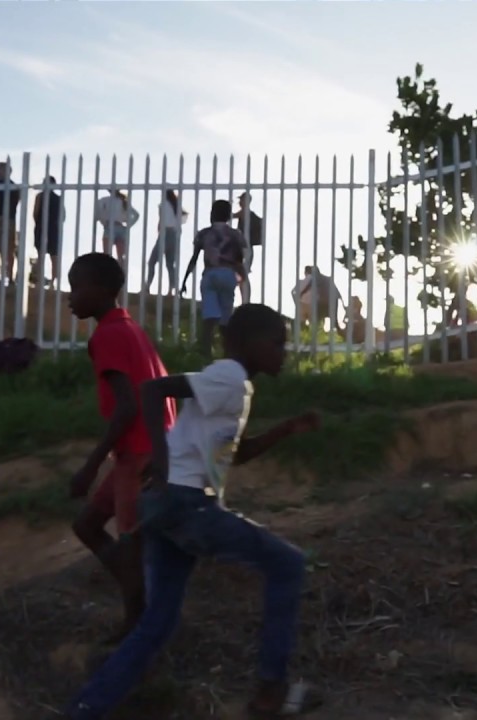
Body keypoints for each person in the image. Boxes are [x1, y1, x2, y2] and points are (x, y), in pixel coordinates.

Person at [68, 303, 322, 720]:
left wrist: (286, 429)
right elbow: (153, 391)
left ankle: (83, 710)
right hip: (185, 505)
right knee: (289, 564)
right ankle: (270, 692)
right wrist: (164, 461)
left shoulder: (235, 388)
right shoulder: (228, 376)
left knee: (157, 624)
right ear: (249, 344)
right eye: (277, 343)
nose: (284, 352)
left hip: (167, 510)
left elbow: (233, 456)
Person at [66, 252, 175, 644]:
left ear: (99, 290)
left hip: (139, 454)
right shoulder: (130, 328)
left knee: (130, 544)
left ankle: (139, 624)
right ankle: (140, 603)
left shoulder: (107, 336)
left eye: (76, 286)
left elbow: (127, 406)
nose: (70, 296)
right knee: (88, 525)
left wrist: (90, 466)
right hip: (149, 447)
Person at [182, 199, 247, 355]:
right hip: (228, 274)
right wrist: (243, 278)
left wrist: (184, 280)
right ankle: (228, 353)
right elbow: (240, 259)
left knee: (209, 317)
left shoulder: (204, 233)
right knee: (226, 316)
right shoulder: (235, 235)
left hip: (210, 273)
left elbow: (194, 258)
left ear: (212, 214)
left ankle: (205, 351)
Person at [146, 190, 187, 293]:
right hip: (174, 235)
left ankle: (147, 286)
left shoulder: (162, 205)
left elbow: (161, 220)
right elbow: (181, 221)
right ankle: (171, 289)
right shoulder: (177, 206)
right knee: (170, 264)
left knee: (152, 261)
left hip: (165, 233)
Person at [0, 161, 21, 285]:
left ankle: (10, 277)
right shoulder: (1, 185)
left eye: (1, 169)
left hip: (7, 218)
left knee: (9, 249)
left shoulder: (13, 187)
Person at [32, 176, 65, 287]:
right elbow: (63, 216)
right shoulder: (58, 198)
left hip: (42, 227)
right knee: (54, 257)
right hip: (53, 229)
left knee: (41, 256)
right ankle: (53, 282)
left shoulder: (40, 197)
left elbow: (35, 213)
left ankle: (41, 281)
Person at [291, 265, 341, 336]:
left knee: (318, 320)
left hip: (323, 302)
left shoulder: (315, 278)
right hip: (333, 301)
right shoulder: (328, 278)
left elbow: (308, 286)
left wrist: (300, 294)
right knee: (334, 321)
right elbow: (337, 291)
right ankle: (334, 335)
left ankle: (319, 334)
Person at [94, 188, 139, 265]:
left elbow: (97, 214)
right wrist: (128, 226)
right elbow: (136, 215)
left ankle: (108, 274)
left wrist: (103, 221)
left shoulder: (103, 200)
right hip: (121, 228)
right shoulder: (123, 201)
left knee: (106, 256)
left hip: (109, 227)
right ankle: (122, 274)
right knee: (120, 257)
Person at [234, 191, 264, 303]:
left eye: (241, 200)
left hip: (244, 249)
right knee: (242, 275)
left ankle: (245, 301)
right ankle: (245, 301)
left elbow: (230, 216)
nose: (239, 202)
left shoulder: (245, 212)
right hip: (245, 248)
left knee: (242, 275)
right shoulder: (248, 213)